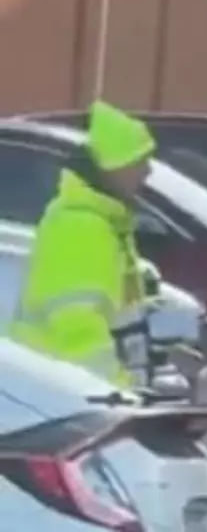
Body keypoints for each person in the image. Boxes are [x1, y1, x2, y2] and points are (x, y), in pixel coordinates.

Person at [10, 101, 157, 387]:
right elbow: (78, 329)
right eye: (139, 162)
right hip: (67, 393)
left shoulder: (105, 223)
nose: (147, 172)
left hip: (73, 393)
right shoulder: (82, 228)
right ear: (114, 168)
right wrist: (116, 389)